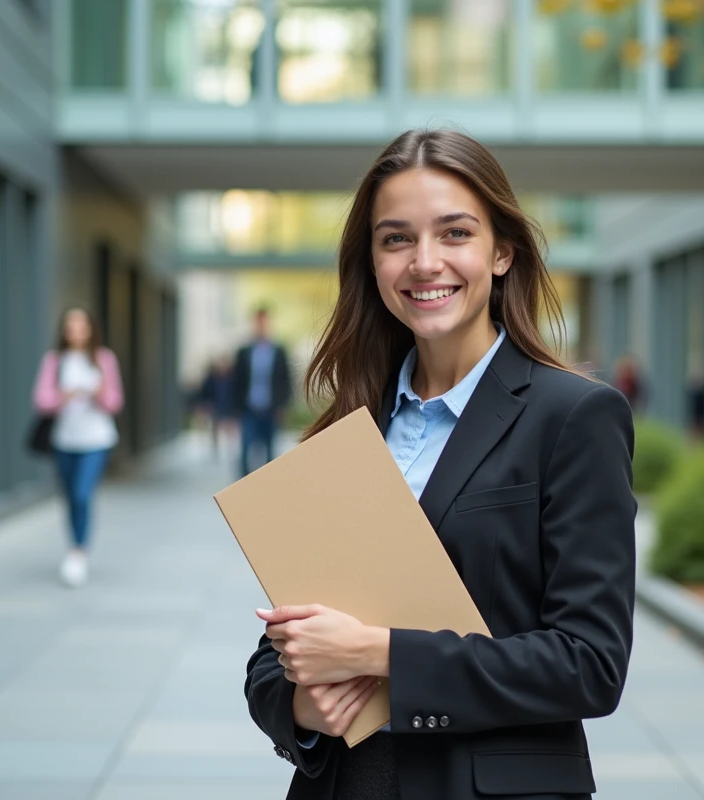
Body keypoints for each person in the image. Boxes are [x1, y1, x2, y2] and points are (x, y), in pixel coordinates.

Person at [243, 129, 637, 800]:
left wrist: (380, 654)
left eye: (455, 233)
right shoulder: (349, 425)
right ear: (371, 262)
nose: (425, 262)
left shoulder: (574, 417)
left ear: (503, 252)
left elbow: (590, 663)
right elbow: (279, 651)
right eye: (396, 239)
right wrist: (300, 709)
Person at [31, 307, 124, 588]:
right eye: (70, 326)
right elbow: (40, 400)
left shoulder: (104, 359)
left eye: (80, 326)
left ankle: (78, 551)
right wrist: (62, 397)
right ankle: (74, 542)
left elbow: (115, 401)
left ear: (90, 329)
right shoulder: (54, 360)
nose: (75, 331)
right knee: (70, 496)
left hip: (96, 439)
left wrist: (99, 394)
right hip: (64, 440)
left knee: (83, 494)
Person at [232, 307, 293, 477]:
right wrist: (234, 411)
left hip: (271, 410)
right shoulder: (244, 351)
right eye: (258, 322)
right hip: (249, 410)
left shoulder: (279, 351)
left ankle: (267, 488)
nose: (261, 325)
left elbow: (286, 380)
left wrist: (284, 406)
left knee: (270, 453)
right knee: (245, 452)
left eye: (264, 322)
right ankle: (242, 489)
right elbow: (237, 382)